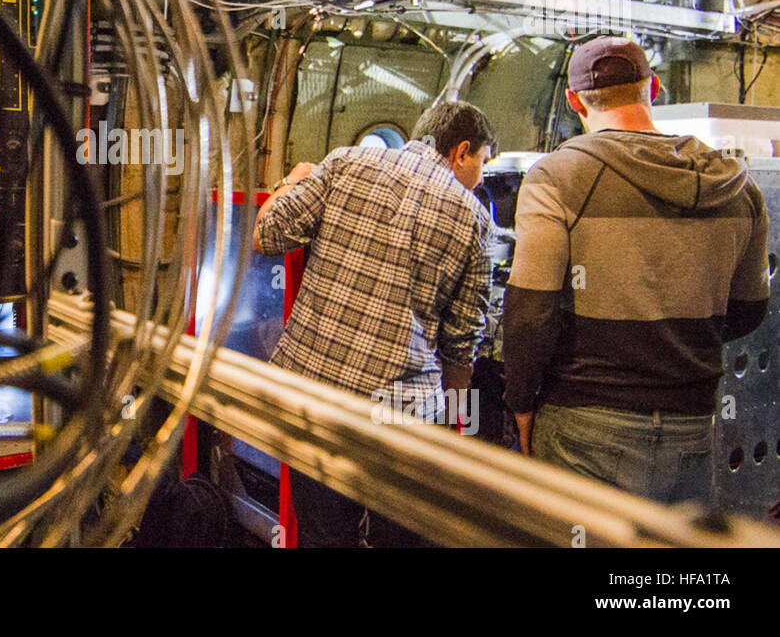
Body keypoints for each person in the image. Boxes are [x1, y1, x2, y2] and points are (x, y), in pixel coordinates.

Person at [502, 35, 770, 504]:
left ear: (572, 101)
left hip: (584, 422)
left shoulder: (556, 178)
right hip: (692, 423)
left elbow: (531, 312)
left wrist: (521, 406)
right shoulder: (737, 186)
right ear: (655, 87)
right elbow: (749, 310)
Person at [253, 101, 496, 547]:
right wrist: (455, 429)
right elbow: (462, 345)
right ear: (461, 150)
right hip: (401, 411)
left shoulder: (346, 161)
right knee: (401, 538)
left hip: (312, 397)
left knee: (325, 536)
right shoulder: (476, 219)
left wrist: (293, 179)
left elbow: (267, 234)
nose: (480, 178)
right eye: (482, 162)